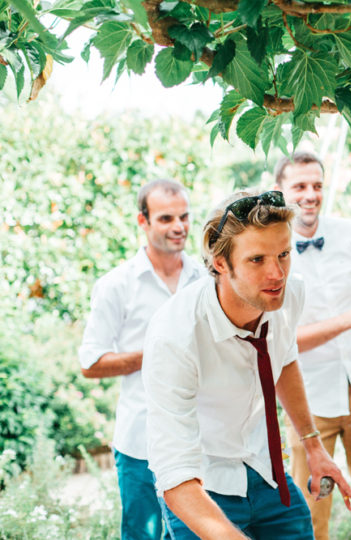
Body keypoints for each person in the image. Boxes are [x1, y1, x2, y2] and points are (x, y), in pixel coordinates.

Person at [142, 189, 351, 540]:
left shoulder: (289, 295)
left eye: (284, 255)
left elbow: (283, 359)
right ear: (220, 263)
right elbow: (175, 477)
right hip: (201, 485)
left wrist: (314, 446)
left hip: (265, 470)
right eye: (257, 260)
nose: (277, 273)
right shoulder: (173, 335)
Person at [275, 152, 351, 540]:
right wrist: (347, 320)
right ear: (280, 191)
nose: (310, 195)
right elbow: (282, 342)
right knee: (311, 518)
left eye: (317, 186)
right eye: (299, 187)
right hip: (310, 405)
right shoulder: (272, 255)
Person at [78, 178, 203, 540]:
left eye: (184, 217)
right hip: (140, 443)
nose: (179, 227)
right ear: (142, 221)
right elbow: (90, 363)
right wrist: (157, 354)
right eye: (166, 218)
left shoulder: (206, 279)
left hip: (200, 438)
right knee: (143, 536)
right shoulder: (116, 285)